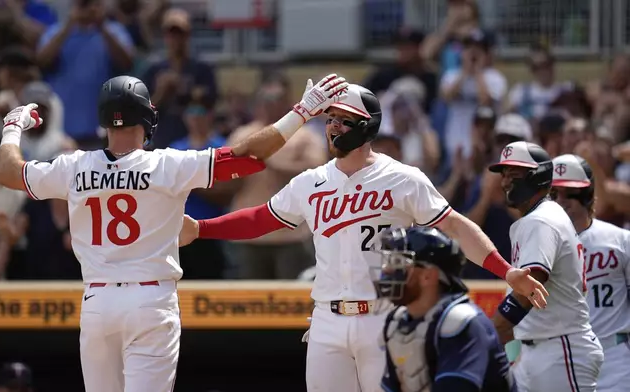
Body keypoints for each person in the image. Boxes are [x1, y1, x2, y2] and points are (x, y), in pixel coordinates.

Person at [179, 84, 548, 391]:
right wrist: (202, 228)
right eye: (331, 119)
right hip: (327, 320)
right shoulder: (311, 181)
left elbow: (455, 226)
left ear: (367, 126)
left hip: (383, 316)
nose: (334, 126)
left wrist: (506, 271)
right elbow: (262, 218)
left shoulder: (403, 178)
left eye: (344, 120)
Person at [0, 73, 349, 392]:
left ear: (104, 119)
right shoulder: (168, 164)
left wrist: (12, 127)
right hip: (150, 300)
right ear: (147, 116)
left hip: (97, 302)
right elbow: (250, 157)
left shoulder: (73, 166)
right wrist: (302, 111)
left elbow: (9, 172)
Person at [489, 141, 604, 392]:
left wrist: (491, 331)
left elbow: (531, 284)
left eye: (514, 174)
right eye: (504, 175)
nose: (505, 182)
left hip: (560, 349)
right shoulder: (539, 216)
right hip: (542, 348)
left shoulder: (541, 219)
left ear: (537, 176)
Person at [374, 226, 516, 392]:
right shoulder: (397, 324)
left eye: (399, 263)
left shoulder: (462, 323)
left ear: (428, 276)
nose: (387, 270)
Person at [551, 153, 630, 392]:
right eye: (554, 194)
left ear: (587, 195)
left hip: (614, 357)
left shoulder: (620, 240)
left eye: (570, 192)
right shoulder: (536, 247)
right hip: (560, 361)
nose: (562, 200)